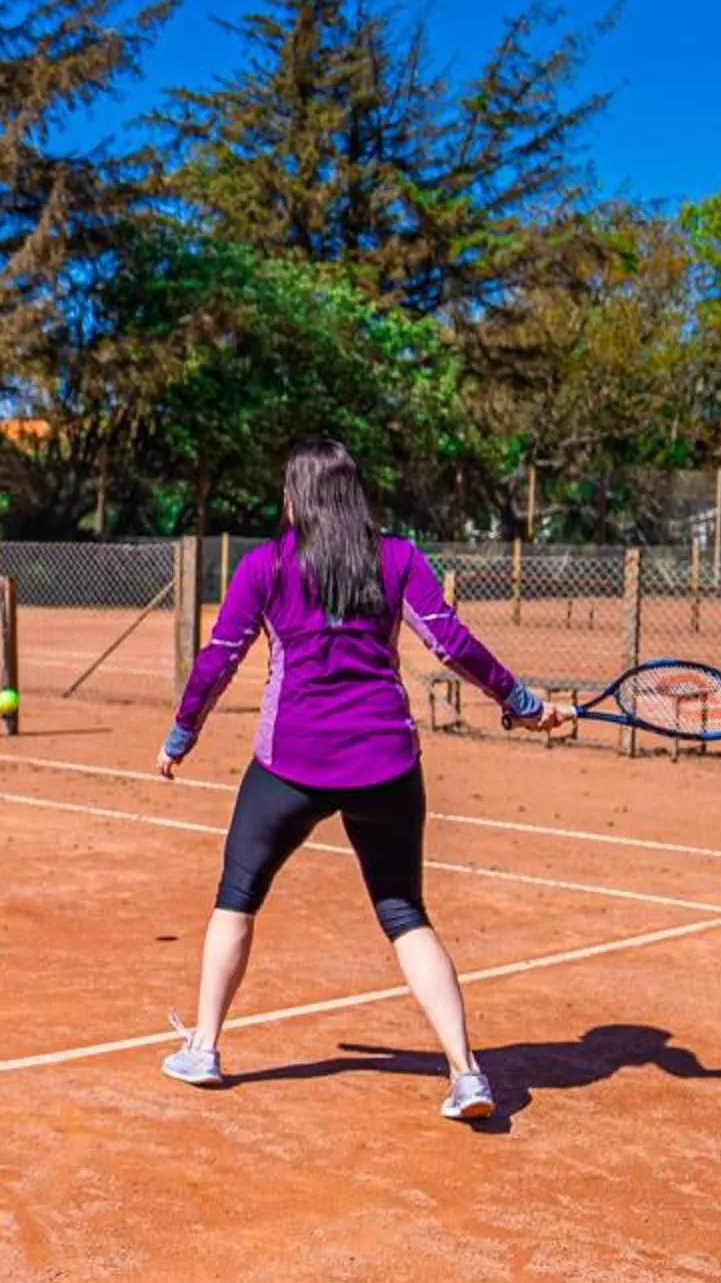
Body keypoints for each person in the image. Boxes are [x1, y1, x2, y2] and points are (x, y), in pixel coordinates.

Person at [156, 439, 560, 1120]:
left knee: (237, 896)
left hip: (289, 766)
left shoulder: (266, 565)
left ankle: (204, 1048)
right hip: (387, 766)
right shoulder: (397, 557)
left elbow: (217, 660)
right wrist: (517, 701)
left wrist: (182, 733)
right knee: (405, 913)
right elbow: (451, 643)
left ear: (296, 498)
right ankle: (466, 1074)